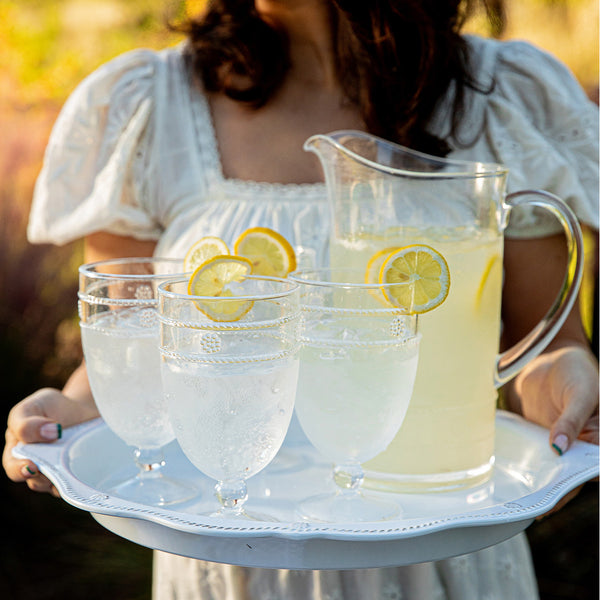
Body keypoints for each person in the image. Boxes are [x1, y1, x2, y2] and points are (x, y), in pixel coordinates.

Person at [3, 1, 599, 598]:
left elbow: (544, 348)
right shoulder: (147, 103)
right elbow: (134, 337)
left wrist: (563, 385)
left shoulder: (503, 94)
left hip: (438, 547)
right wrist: (75, 412)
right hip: (227, 560)